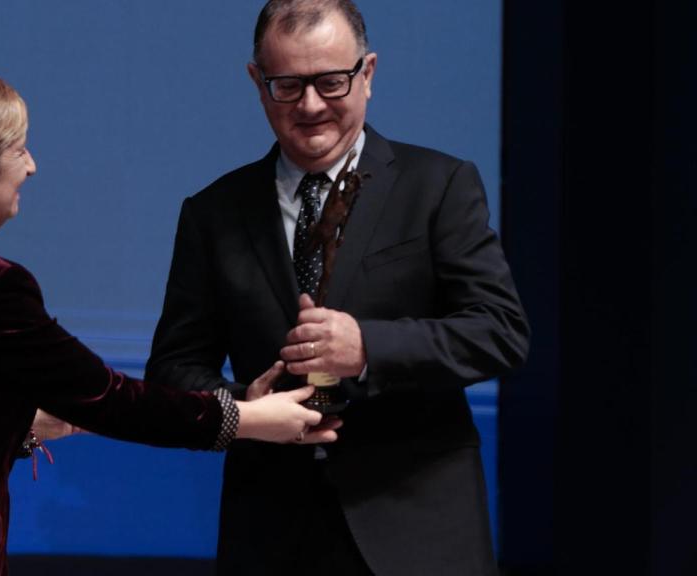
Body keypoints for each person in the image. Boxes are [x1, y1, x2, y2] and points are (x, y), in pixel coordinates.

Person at [0, 67, 338, 576]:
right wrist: (245, 418)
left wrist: (17, 423)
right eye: (19, 149)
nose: (31, 165)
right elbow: (107, 396)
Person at [146, 1, 530, 574]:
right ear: (257, 82)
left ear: (367, 74)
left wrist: (367, 349)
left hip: (418, 529)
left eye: (331, 82)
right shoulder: (213, 213)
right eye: (286, 86)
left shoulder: (439, 185)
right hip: (272, 531)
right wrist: (248, 406)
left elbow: (500, 333)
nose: (310, 106)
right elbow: (173, 370)